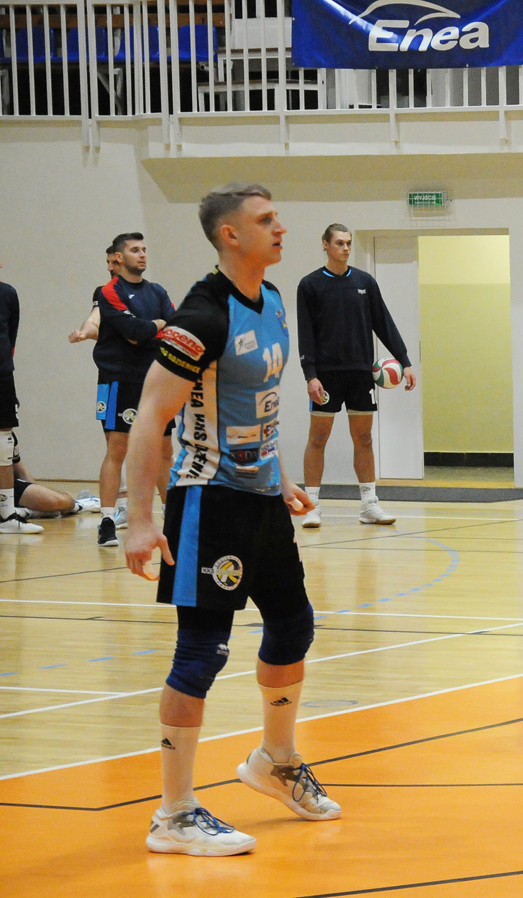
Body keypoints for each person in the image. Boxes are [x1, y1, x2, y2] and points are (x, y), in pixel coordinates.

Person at [124, 182, 339, 857]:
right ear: (230, 235)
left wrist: (281, 478)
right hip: (207, 501)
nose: (282, 228)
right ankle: (174, 814)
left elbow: (257, 407)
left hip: (261, 497)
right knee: (202, 652)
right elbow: (149, 418)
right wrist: (139, 519)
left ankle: (275, 760)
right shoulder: (202, 316)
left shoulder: (271, 299)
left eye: (278, 216)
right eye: (266, 220)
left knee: (293, 626)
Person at [296, 224, 415, 528]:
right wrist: (310, 375)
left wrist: (404, 361)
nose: (346, 248)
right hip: (326, 375)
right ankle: (312, 506)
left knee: (363, 438)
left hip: (361, 373)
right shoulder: (310, 285)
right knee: (318, 438)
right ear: (326, 245)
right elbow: (305, 334)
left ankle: (369, 505)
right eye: (339, 243)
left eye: (348, 243)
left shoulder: (365, 282)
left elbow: (383, 323)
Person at [83, 234, 176, 547]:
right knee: (118, 449)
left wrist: (156, 326)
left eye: (144, 249)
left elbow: (175, 327)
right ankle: (108, 520)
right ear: (119, 258)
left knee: (164, 450)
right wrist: (158, 325)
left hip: (156, 379)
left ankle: (171, 517)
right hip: (120, 378)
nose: (142, 254)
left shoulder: (157, 291)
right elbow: (134, 333)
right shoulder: (109, 292)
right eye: (135, 250)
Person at [0, 260, 41, 534]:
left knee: (4, 440)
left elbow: (11, 335)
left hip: (2, 375)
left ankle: (7, 514)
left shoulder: (7, 293)